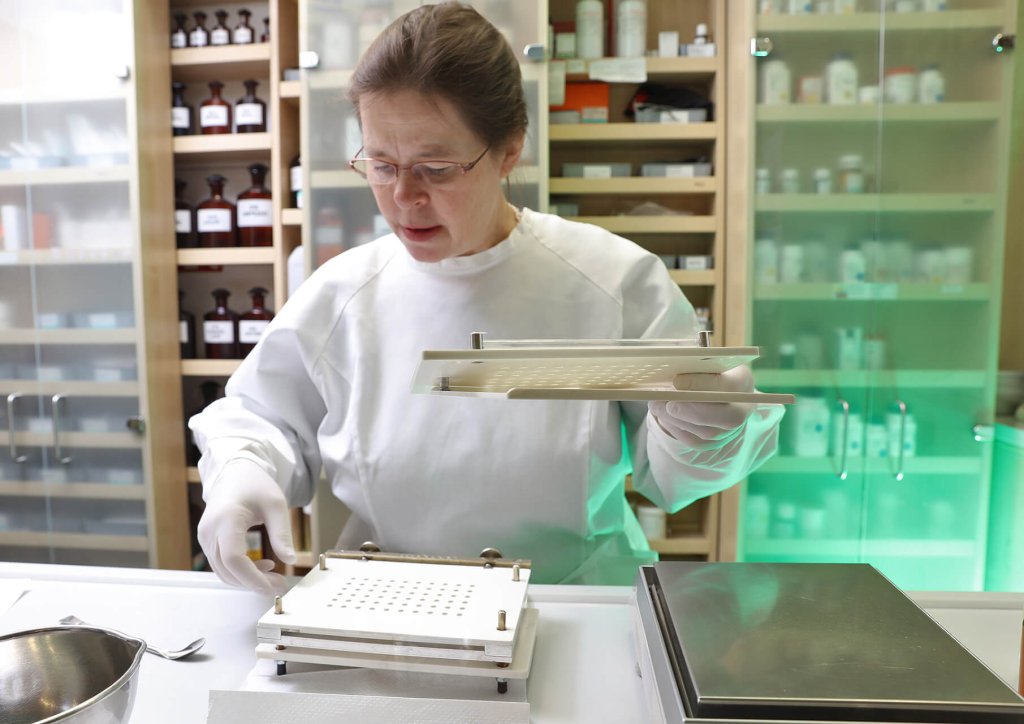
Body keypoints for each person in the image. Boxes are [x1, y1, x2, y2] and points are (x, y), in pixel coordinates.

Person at [190, 2, 784, 594]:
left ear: (509, 150)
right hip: (386, 606)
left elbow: (673, 477)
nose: (404, 196)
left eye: (437, 167)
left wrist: (706, 429)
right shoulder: (343, 293)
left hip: (569, 604)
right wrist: (243, 467)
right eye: (380, 163)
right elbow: (261, 416)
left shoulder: (611, 279)